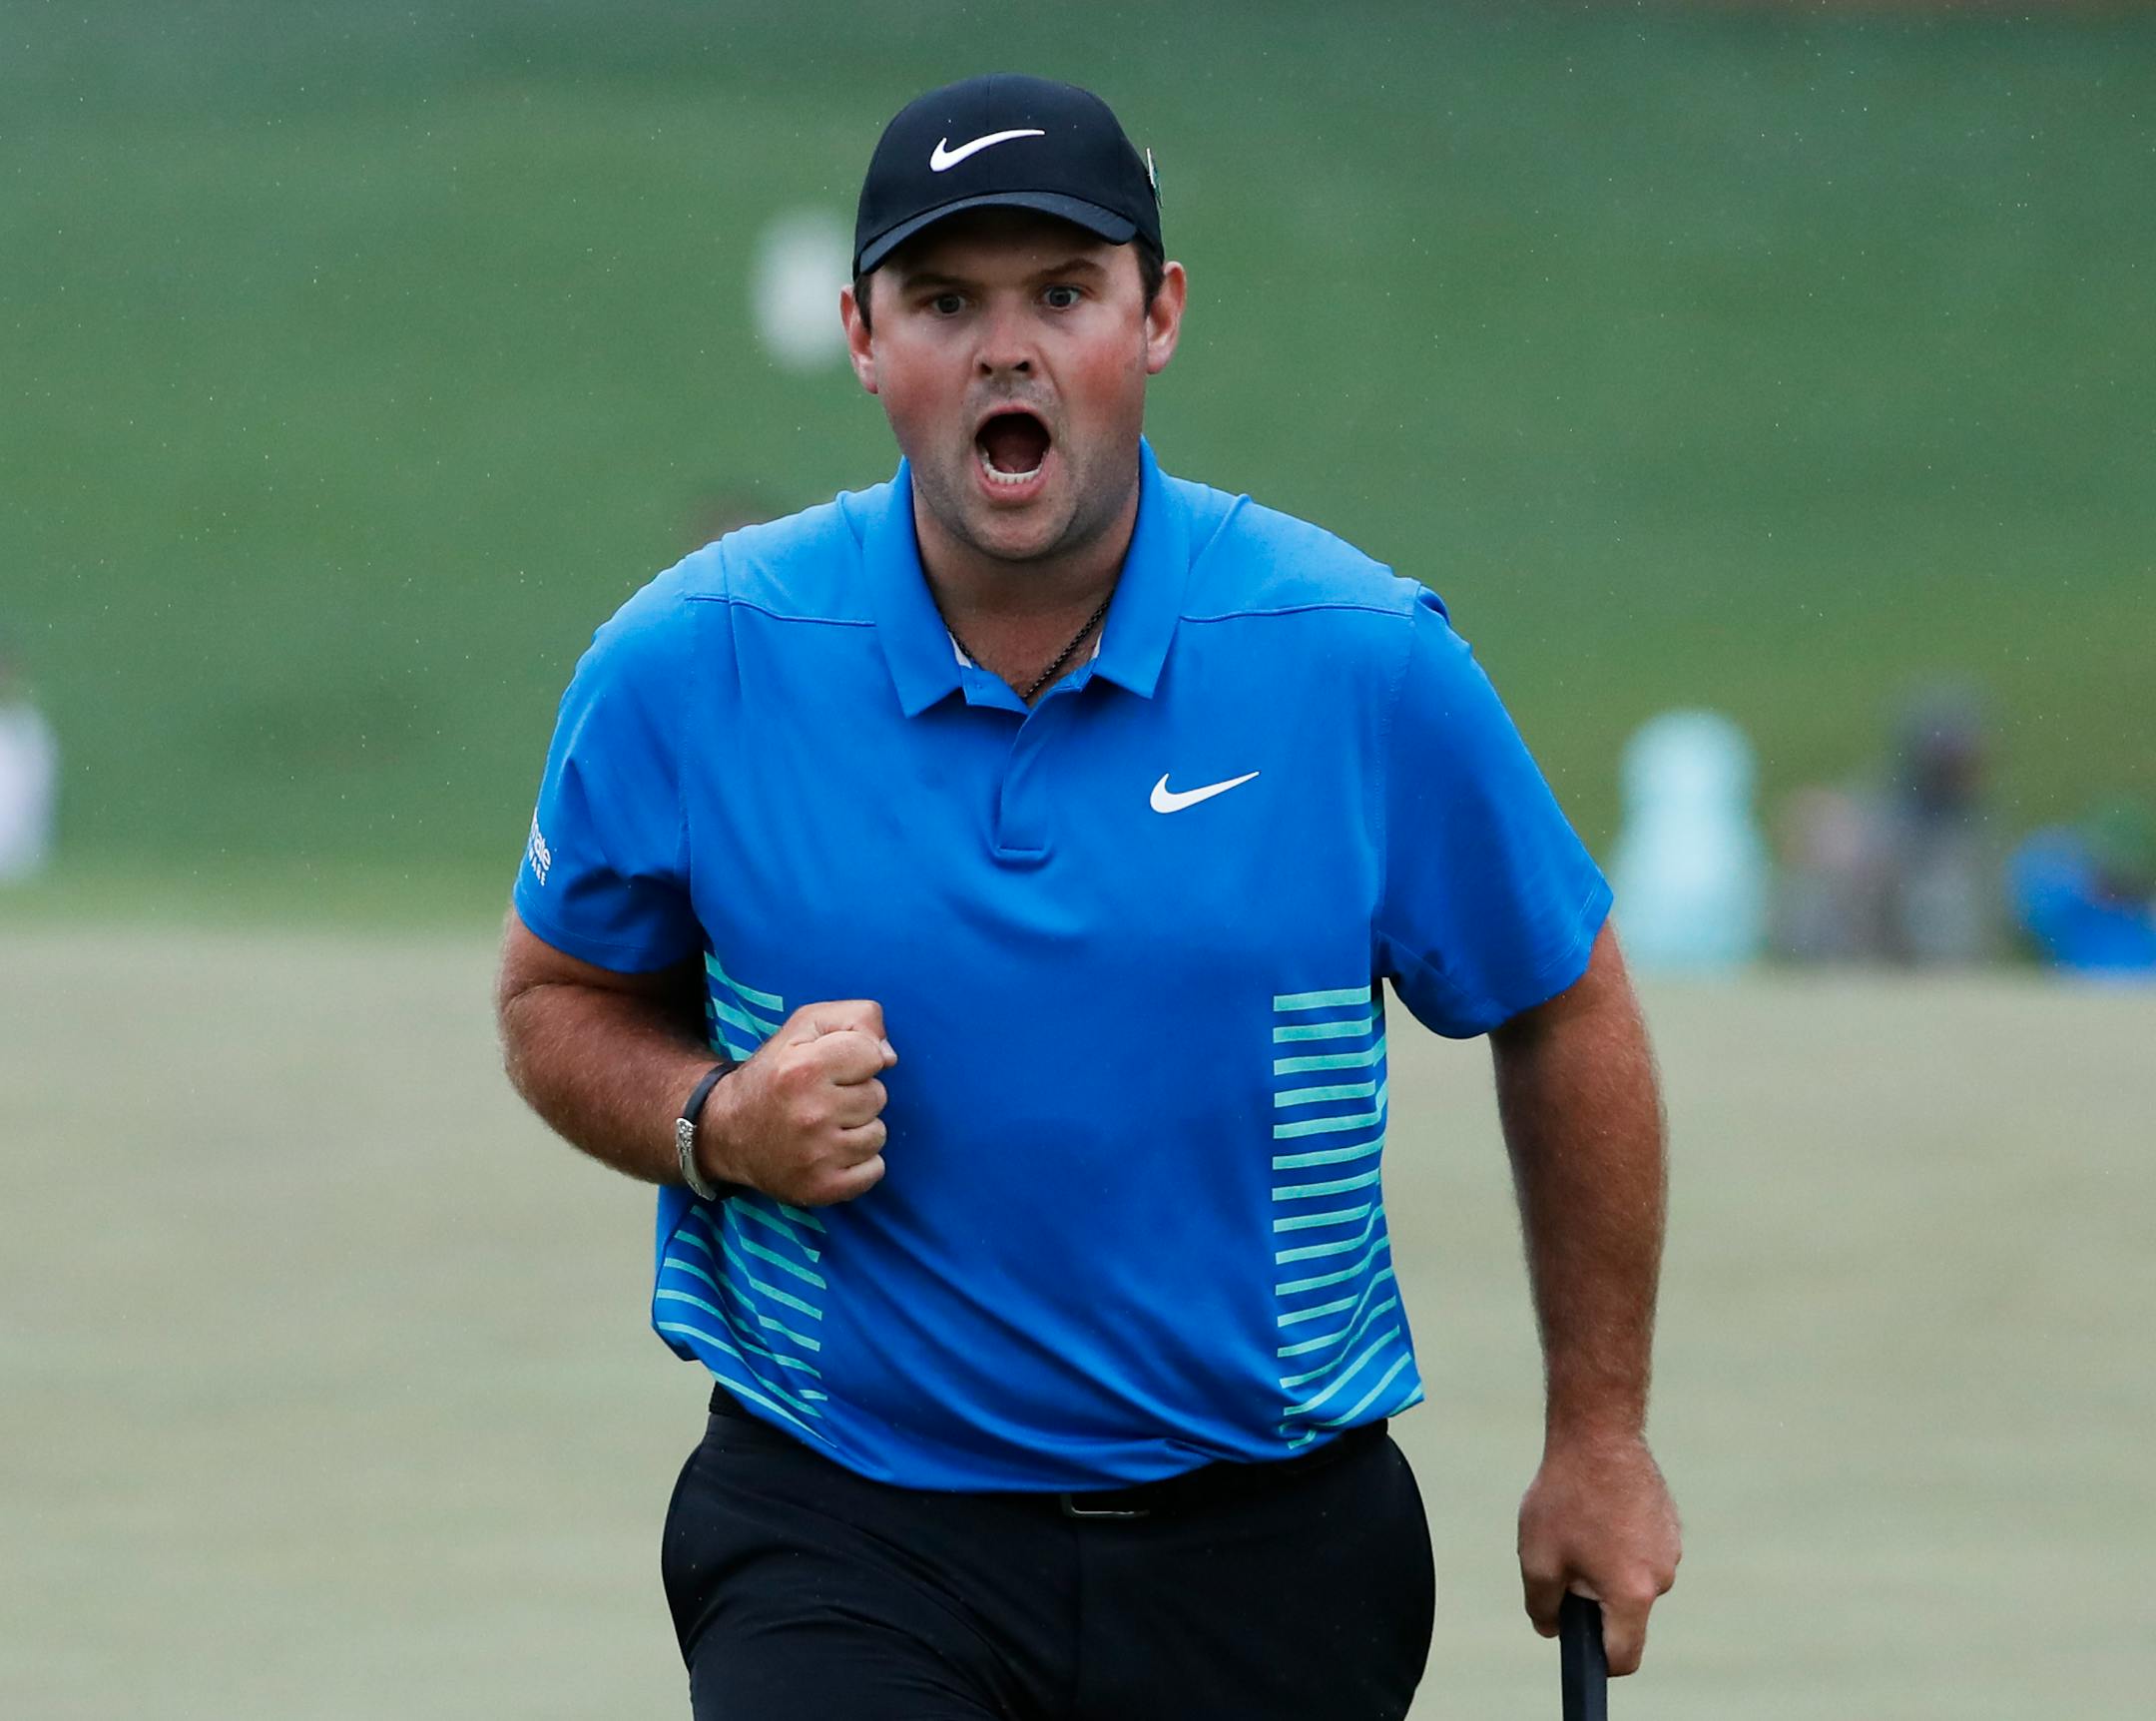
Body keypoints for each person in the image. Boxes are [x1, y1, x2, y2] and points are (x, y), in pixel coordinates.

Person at [495, 73, 1679, 1720]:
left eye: (1062, 294)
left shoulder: (1354, 660)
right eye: (944, 301)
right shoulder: (692, 665)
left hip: (1270, 1548)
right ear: (860, 335)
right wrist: (714, 1120)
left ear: (1159, 316)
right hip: (844, 1525)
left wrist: (1599, 1437)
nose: (1007, 348)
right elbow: (556, 996)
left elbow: (1562, 997)